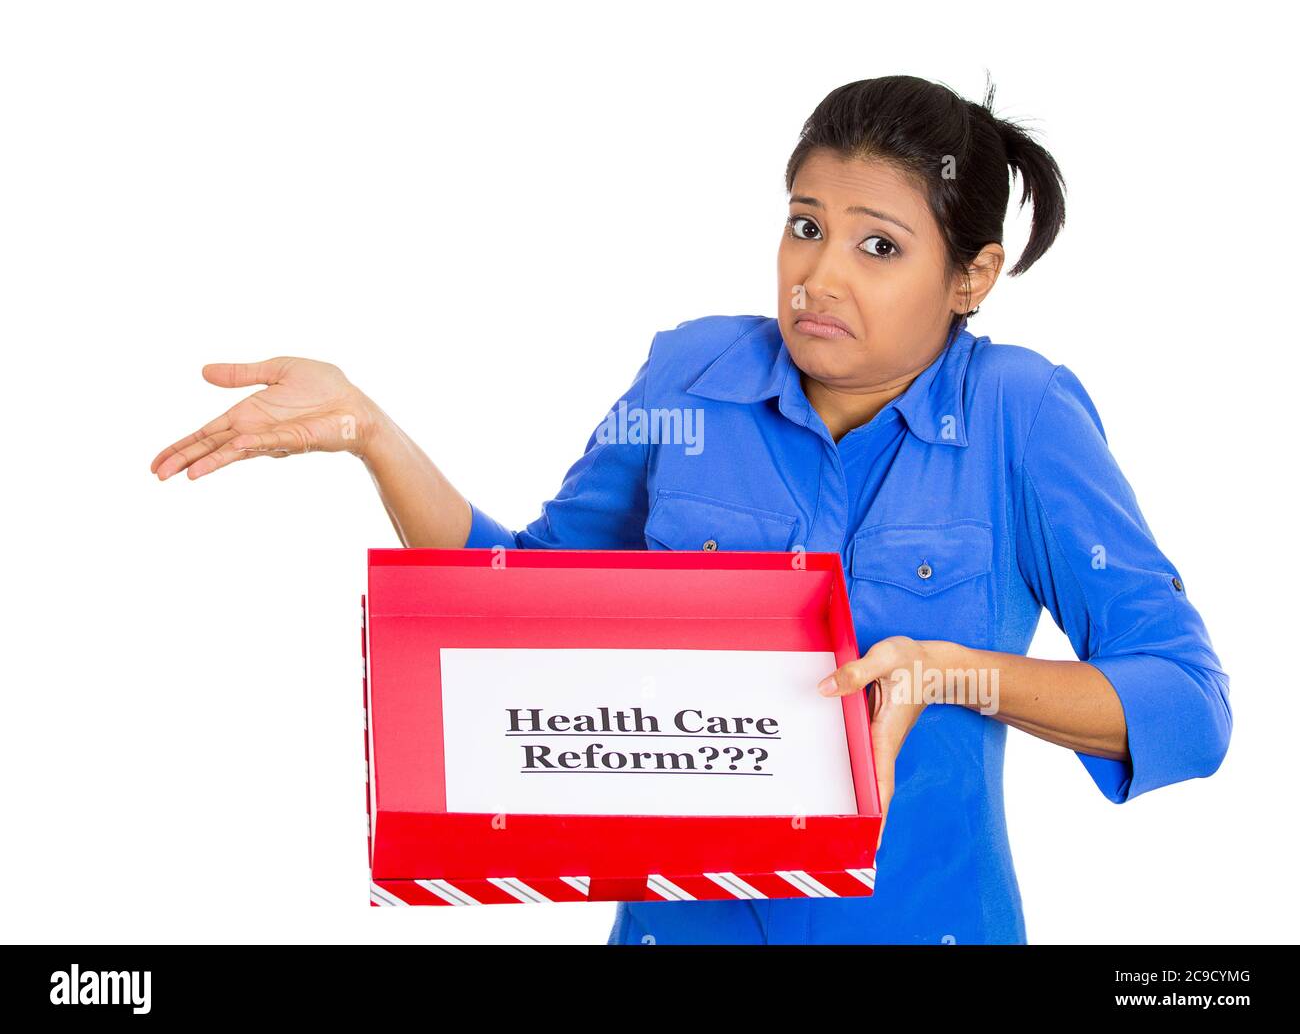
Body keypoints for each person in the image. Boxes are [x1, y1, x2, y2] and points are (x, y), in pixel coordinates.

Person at [151, 74, 1232, 944]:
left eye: (879, 245)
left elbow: (1184, 698)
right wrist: (373, 434)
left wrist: (948, 671)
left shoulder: (1021, 416)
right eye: (804, 225)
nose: (818, 275)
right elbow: (520, 596)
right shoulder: (686, 377)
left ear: (973, 274)